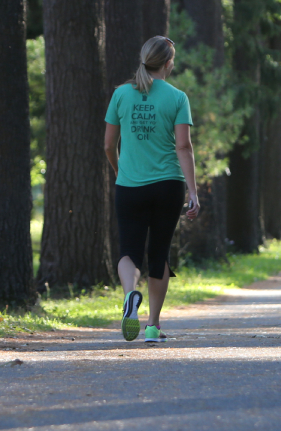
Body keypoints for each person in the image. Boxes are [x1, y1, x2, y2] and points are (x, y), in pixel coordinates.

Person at [104, 36, 201, 343]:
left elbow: (108, 144)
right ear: (169, 64)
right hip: (167, 186)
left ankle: (131, 295)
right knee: (159, 253)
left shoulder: (121, 94)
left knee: (128, 252)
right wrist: (193, 192)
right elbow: (183, 147)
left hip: (129, 186)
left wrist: (120, 170)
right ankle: (152, 327)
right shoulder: (177, 97)